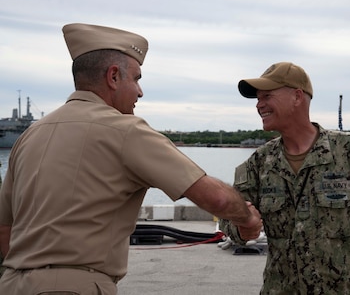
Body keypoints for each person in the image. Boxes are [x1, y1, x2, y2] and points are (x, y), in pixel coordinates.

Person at [0, 23, 262, 294]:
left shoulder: (29, 136)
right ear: (113, 76)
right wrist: (248, 219)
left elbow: (5, 229)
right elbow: (215, 198)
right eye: (136, 79)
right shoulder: (126, 130)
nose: (140, 92)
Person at [219, 62, 350, 294]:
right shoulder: (258, 164)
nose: (259, 105)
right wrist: (241, 230)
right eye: (258, 99)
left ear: (297, 97)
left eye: (267, 96)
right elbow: (228, 218)